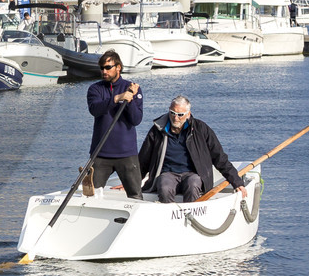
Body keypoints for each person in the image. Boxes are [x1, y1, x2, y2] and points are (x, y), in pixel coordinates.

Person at [137, 96, 246, 204]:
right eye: (172, 113)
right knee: (164, 187)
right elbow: (143, 159)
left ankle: (191, 217)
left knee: (193, 185)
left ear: (188, 114)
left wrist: (237, 182)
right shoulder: (157, 130)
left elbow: (219, 158)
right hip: (167, 173)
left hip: (193, 174)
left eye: (180, 115)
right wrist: (131, 183)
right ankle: (168, 217)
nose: (175, 118)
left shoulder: (201, 129)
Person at [87, 51, 145, 197]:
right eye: (101, 68)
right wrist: (117, 98)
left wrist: (129, 100)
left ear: (118, 67)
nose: (104, 71)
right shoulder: (95, 89)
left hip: (126, 154)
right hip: (101, 153)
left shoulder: (132, 88)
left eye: (108, 67)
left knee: (135, 195)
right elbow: (95, 110)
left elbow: (136, 120)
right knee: (91, 196)